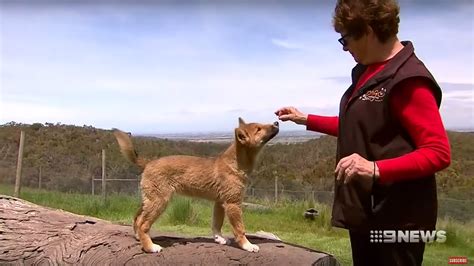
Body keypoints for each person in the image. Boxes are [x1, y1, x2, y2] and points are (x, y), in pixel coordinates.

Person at [275, 0, 451, 265]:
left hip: (398, 218)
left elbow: (438, 153)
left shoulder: (408, 79)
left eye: (345, 40)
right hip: (367, 212)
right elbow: (360, 128)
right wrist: (305, 119)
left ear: (367, 30)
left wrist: (375, 169)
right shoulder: (370, 72)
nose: (345, 49)